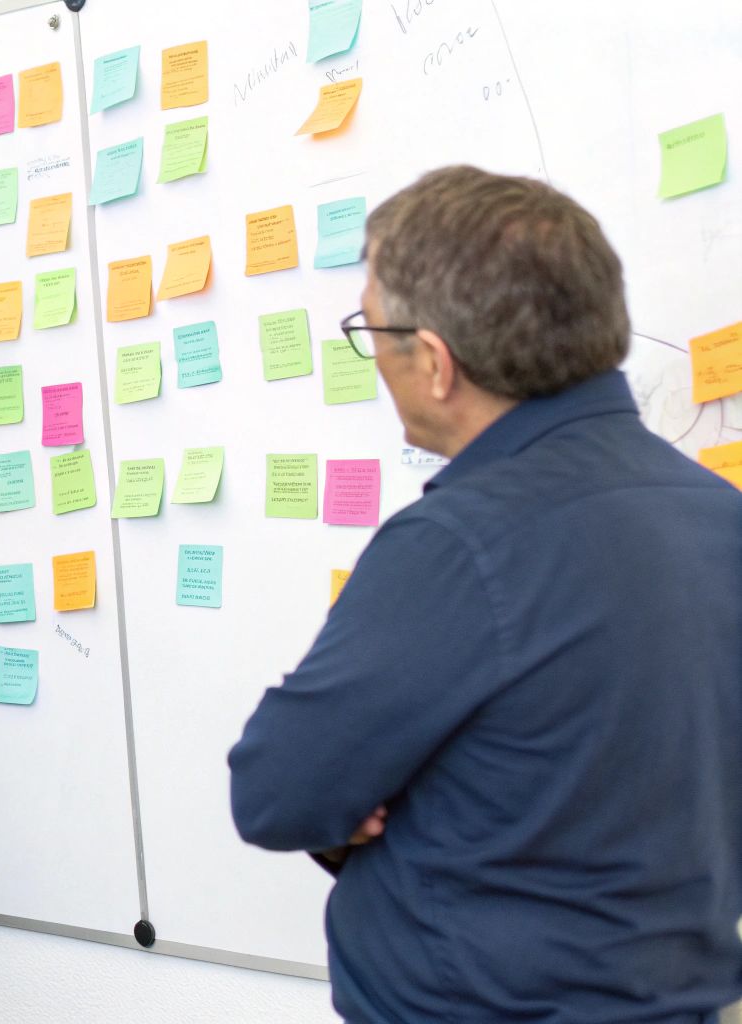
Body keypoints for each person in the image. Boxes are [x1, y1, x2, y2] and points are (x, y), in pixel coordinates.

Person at [228, 166, 742, 1021]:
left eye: (374, 331)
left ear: (434, 362)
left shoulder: (457, 545)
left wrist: (373, 798)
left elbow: (278, 793)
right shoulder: (720, 513)